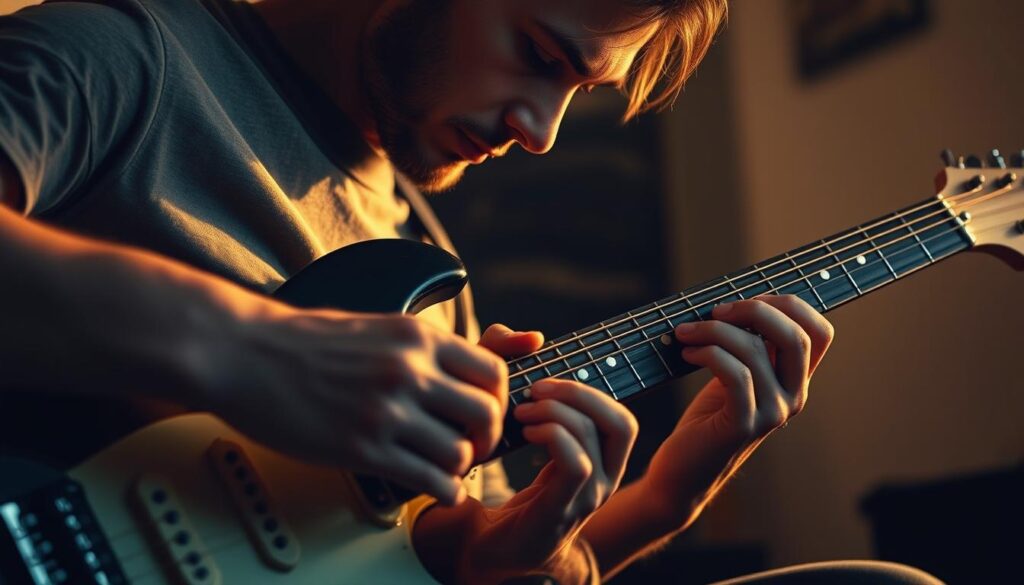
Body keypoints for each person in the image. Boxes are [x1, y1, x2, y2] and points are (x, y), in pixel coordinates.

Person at [0, 0, 942, 583]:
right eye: (540, 54)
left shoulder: (425, 267)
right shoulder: (126, 54)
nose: (542, 132)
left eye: (580, 92)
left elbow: (448, 565)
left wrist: (666, 494)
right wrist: (246, 346)